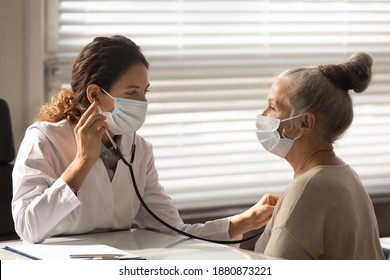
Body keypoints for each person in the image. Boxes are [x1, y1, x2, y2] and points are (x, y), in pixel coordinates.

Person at [12, 35, 279, 244]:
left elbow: (173, 231)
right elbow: (28, 228)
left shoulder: (138, 149)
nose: (143, 102)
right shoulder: (44, 139)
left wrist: (244, 221)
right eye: (132, 92)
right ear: (95, 94)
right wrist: (82, 162)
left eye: (144, 91)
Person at [253, 52, 385, 259]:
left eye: (272, 107)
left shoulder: (307, 190)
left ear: (305, 123)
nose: (262, 116)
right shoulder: (346, 175)